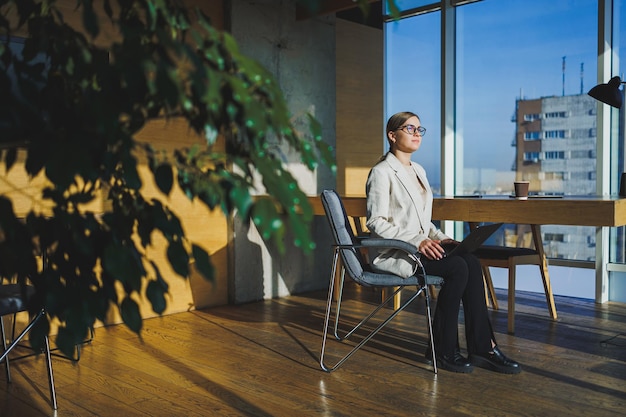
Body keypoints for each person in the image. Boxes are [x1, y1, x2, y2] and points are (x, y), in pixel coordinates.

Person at [365, 111, 521, 374]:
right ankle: (443, 349)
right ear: (392, 136)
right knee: (457, 268)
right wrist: (418, 241)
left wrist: (440, 238)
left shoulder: (419, 171)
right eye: (409, 128)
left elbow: (423, 224)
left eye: (419, 129)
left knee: (470, 260)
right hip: (398, 253)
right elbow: (376, 222)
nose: (416, 134)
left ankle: (483, 347)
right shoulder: (381, 172)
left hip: (420, 247)